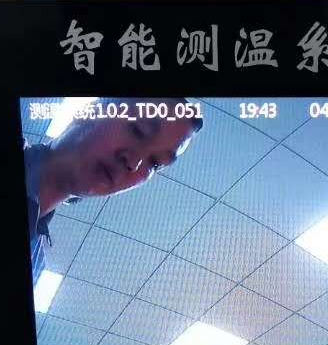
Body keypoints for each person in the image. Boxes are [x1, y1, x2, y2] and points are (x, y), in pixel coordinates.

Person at [26, 108, 202, 280]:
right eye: (139, 130)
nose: (134, 163)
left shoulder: (36, 260)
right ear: (90, 112)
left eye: (155, 162)